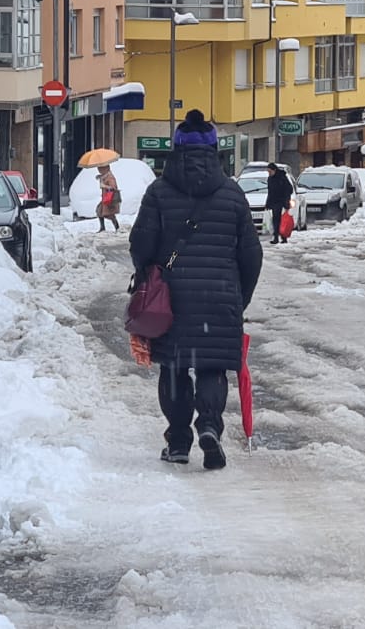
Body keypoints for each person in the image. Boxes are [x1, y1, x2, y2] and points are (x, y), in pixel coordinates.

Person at [129, 110, 263, 469]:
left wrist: (146, 275)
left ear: (175, 150)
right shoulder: (233, 195)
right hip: (220, 296)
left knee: (174, 367)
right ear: (214, 150)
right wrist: (240, 296)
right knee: (212, 367)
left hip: (171, 300)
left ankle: (178, 440)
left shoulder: (158, 192)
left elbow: (140, 244)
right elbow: (252, 254)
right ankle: (208, 426)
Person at [265, 163, 293, 245]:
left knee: (282, 220)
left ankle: (284, 237)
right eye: (268, 172)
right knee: (275, 220)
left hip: (282, 202)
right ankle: (276, 237)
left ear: (274, 170)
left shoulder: (282, 177)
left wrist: (286, 202)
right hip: (274, 202)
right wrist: (268, 203)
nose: (269, 173)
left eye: (270, 171)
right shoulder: (270, 179)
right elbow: (270, 192)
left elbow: (289, 189)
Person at [96, 163, 121, 232]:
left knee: (110, 215)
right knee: (99, 211)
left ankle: (117, 228)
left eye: (100, 168)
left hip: (110, 199)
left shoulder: (110, 177)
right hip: (105, 199)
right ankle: (102, 227)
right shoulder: (104, 176)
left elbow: (114, 187)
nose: (99, 170)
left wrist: (104, 186)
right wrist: (100, 177)